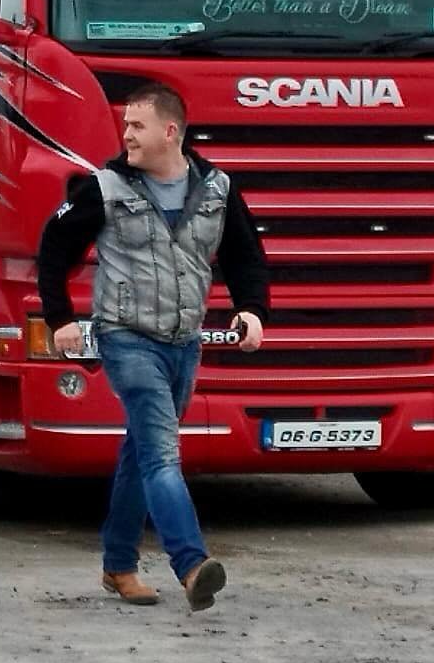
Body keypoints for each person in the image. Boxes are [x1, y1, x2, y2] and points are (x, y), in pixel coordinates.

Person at [36, 82, 269, 611]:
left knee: (140, 451)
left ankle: (118, 564)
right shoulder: (106, 186)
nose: (126, 136)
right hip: (127, 339)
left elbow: (245, 256)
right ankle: (191, 565)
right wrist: (59, 318)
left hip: (184, 344)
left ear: (171, 132)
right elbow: (55, 245)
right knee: (163, 454)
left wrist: (252, 309)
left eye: (136, 126)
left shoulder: (217, 189)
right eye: (125, 127)